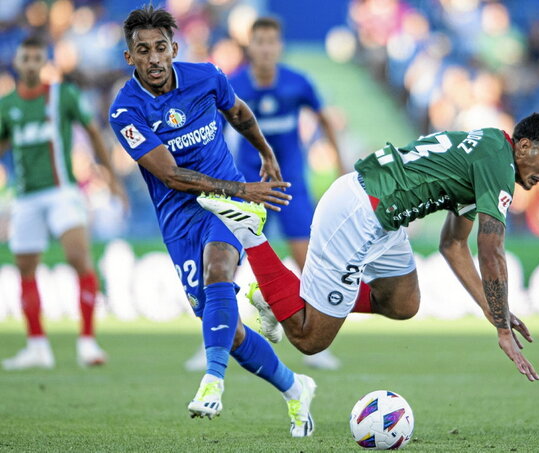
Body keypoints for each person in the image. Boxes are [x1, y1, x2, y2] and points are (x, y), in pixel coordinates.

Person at [198, 113, 539, 382]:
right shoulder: (498, 164)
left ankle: (284, 296)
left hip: (386, 219)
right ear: (523, 146)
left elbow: (454, 244)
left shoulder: (490, 152)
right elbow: (490, 251)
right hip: (361, 210)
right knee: (310, 339)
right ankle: (252, 236)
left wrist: (494, 312)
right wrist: (504, 328)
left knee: (403, 303)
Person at [108, 5, 315, 436]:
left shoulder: (206, 76)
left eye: (160, 48)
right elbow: (169, 175)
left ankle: (212, 382)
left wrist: (266, 153)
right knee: (228, 331)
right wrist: (243, 190)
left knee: (218, 267)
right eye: (142, 51)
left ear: (174, 48)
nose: (154, 59)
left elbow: (238, 113)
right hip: (180, 215)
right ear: (130, 58)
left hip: (226, 204)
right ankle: (296, 389)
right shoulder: (126, 111)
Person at [186, 17, 342, 373]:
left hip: (291, 188)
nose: (267, 48)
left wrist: (340, 163)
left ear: (279, 46)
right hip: (248, 188)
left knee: (309, 263)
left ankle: (315, 346)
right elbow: (210, 132)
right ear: (250, 46)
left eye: (272, 41)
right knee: (225, 262)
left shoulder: (297, 83)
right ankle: (211, 341)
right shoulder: (233, 84)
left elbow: (325, 119)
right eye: (260, 42)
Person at [0, 36, 127, 370]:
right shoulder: (6, 105)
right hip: (26, 197)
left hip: (62, 192)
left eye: (36, 58)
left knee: (78, 257)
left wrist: (112, 179)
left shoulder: (62, 95)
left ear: (44, 62)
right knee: (25, 267)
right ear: (17, 62)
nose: (30, 64)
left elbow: (94, 133)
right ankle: (37, 345)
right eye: (25, 58)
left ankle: (87, 340)